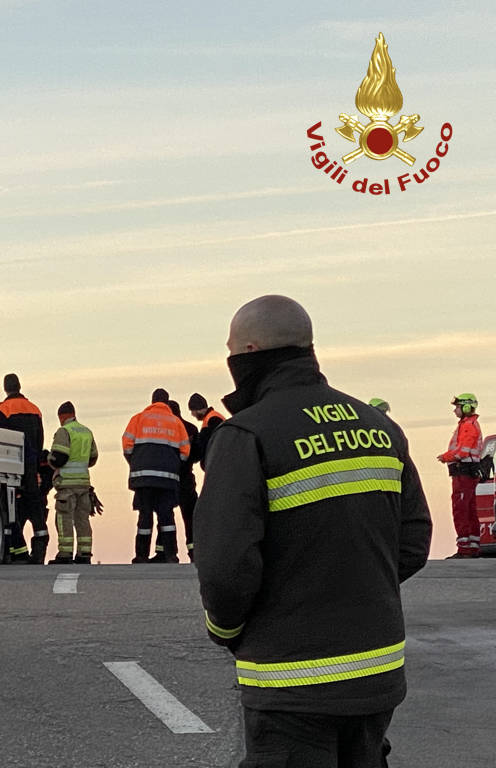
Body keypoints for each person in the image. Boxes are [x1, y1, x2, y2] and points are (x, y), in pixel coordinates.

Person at [194, 295, 431, 768]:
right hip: (376, 674)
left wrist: (227, 630)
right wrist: (355, 588)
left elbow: (224, 566)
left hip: (291, 681)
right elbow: (414, 538)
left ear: (249, 352)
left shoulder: (247, 435)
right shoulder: (379, 427)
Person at [122, 389, 190, 564]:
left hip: (143, 477)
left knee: (145, 515)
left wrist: (136, 462)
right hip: (168, 478)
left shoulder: (138, 419)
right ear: (167, 403)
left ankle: (141, 555)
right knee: (166, 516)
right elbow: (185, 451)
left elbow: (127, 445)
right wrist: (173, 465)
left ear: (152, 401)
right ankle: (170, 555)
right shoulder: (176, 422)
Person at [0, 373, 46, 564]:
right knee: (36, 507)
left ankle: (9, 551)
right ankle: (39, 551)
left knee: (10, 509)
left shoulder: (3, 410)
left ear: (5, 388)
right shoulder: (35, 409)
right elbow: (40, 439)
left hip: (11, 466)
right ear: (20, 386)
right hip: (31, 465)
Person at [47, 401, 99, 564]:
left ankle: (65, 553)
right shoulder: (86, 432)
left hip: (67, 485)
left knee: (64, 518)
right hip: (84, 484)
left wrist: (49, 460)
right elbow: (93, 457)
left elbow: (59, 457)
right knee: (82, 518)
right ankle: (84, 553)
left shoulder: (64, 431)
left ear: (62, 416)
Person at [437, 393, 483, 558]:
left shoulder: (468, 426)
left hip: (463, 472)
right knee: (469, 510)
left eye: (457, 407)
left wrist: (445, 457)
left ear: (465, 407)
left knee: (461, 510)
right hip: (467, 473)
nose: (455, 410)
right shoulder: (468, 424)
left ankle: (464, 548)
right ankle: (472, 547)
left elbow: (462, 451)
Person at [168, 399, 200, 561]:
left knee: (165, 516)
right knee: (190, 517)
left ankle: (167, 552)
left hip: (169, 477)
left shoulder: (167, 428)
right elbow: (196, 454)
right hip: (187, 477)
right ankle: (195, 551)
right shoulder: (191, 428)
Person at [188, 392, 225, 470]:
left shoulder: (212, 419)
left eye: (192, 411)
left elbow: (204, 443)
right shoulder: (212, 417)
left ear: (197, 409)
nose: (192, 414)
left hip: (217, 463)